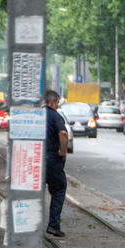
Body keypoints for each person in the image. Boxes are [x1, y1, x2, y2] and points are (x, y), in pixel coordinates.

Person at [44, 90, 69, 238]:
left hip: (34, 158)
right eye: (57, 103)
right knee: (59, 188)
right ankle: (53, 225)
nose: (58, 105)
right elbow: (63, 134)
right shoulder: (56, 117)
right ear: (52, 102)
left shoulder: (37, 115)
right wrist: (63, 152)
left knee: (33, 191)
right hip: (51, 158)